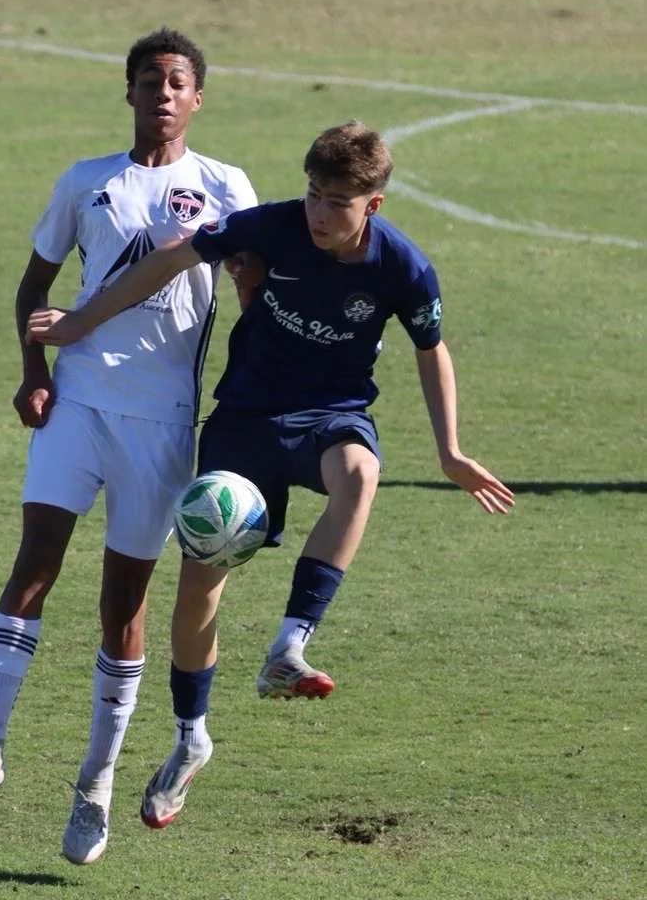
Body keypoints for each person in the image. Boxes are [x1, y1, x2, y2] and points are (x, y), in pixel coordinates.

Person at [27, 119, 514, 832]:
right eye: (313, 194)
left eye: (336, 202)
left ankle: (290, 644)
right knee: (199, 585)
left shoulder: (401, 267)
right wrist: (81, 322)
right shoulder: (273, 226)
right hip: (246, 418)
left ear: (371, 206)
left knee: (359, 472)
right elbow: (167, 259)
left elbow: (430, 350)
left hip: (330, 413)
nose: (319, 212)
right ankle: (190, 736)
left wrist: (449, 449)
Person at [0, 27, 258, 865]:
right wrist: (31, 371)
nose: (161, 92)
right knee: (34, 561)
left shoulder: (224, 186)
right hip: (77, 400)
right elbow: (34, 287)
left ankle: (97, 786)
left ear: (196, 99)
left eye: (176, 81)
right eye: (147, 79)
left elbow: (256, 291)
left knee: (123, 606)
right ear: (127, 92)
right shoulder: (87, 182)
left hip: (160, 425)